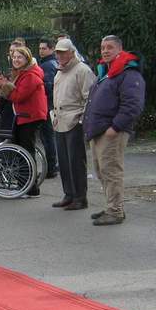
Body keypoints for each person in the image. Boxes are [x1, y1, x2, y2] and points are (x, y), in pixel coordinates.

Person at [83, 35, 145, 225]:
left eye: (109, 47)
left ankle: (115, 210)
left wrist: (115, 127)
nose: (105, 51)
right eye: (103, 47)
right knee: (102, 171)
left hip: (111, 131)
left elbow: (133, 105)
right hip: (99, 130)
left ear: (120, 49)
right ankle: (112, 206)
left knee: (111, 171)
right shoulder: (107, 73)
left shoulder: (128, 73)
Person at [0, 46, 48, 197]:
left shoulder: (31, 75)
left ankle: (31, 188)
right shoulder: (22, 73)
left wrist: (4, 86)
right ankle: (24, 185)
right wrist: (3, 84)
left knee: (26, 152)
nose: (16, 60)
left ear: (27, 59)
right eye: (14, 57)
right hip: (23, 116)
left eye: (20, 57)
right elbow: (14, 94)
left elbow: (18, 96)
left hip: (30, 116)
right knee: (21, 151)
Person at [52, 38, 97, 211]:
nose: (60, 55)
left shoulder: (82, 70)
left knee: (76, 161)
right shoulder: (60, 71)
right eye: (58, 52)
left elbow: (90, 97)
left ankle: (80, 197)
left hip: (74, 120)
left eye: (63, 52)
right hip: (60, 120)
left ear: (71, 52)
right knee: (63, 161)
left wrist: (81, 120)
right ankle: (69, 194)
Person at [37, 39, 59, 178]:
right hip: (48, 105)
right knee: (47, 137)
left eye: (44, 48)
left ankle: (52, 168)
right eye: (40, 48)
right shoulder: (47, 63)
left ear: (51, 49)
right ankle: (52, 166)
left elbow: (48, 86)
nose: (41, 51)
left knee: (48, 137)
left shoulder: (48, 65)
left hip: (47, 106)